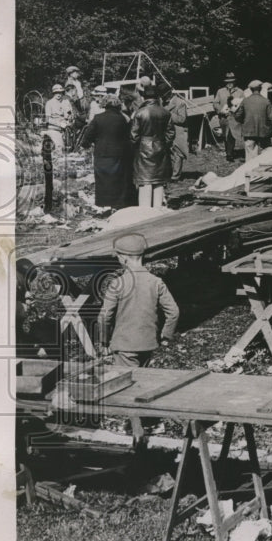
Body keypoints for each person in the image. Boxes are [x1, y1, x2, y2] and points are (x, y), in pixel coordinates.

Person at [97, 233, 180, 371]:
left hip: (125, 346)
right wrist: (166, 335)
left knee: (127, 385)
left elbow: (104, 316)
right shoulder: (156, 281)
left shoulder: (117, 283)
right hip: (148, 344)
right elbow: (174, 312)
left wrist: (104, 341)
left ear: (123, 258)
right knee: (143, 380)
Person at [78, 93, 133, 209]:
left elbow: (87, 137)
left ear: (104, 104)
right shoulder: (123, 119)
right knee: (118, 179)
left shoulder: (98, 118)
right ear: (118, 105)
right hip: (119, 153)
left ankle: (104, 204)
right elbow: (129, 136)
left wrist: (86, 145)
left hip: (101, 153)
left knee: (103, 179)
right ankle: (117, 205)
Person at [130, 84, 175, 208]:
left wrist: (135, 148)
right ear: (157, 97)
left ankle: (145, 211)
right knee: (158, 181)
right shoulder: (165, 112)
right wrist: (164, 144)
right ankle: (157, 210)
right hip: (161, 147)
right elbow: (171, 133)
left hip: (144, 148)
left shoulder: (139, 113)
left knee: (145, 181)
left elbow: (133, 136)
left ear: (144, 97)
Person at [235, 79, 272, 161]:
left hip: (249, 131)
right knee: (266, 154)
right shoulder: (266, 101)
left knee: (250, 155)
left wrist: (244, 122)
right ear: (261, 88)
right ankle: (264, 172)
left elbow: (237, 116)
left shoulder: (245, 101)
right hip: (264, 131)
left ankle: (251, 172)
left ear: (251, 90)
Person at [213, 73, 245, 162]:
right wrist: (220, 110)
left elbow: (243, 105)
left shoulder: (240, 92)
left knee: (231, 135)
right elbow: (215, 103)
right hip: (223, 117)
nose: (229, 84)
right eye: (227, 82)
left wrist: (238, 114)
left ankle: (229, 154)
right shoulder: (220, 91)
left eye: (231, 82)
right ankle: (229, 151)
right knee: (225, 135)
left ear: (234, 82)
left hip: (234, 117)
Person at [162, 85, 189, 181]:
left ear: (169, 93)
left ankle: (175, 176)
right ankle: (169, 173)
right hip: (166, 131)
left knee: (178, 153)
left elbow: (182, 119)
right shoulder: (162, 102)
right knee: (168, 153)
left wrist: (167, 113)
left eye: (164, 95)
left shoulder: (180, 102)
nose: (162, 97)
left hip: (178, 131)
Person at [44, 84, 75, 153]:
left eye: (60, 92)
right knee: (60, 148)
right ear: (53, 93)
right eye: (56, 93)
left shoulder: (65, 102)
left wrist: (70, 118)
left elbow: (70, 114)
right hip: (55, 129)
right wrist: (60, 124)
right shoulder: (49, 103)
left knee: (72, 148)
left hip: (66, 128)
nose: (59, 94)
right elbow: (47, 119)